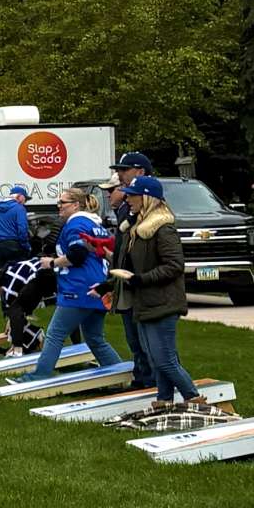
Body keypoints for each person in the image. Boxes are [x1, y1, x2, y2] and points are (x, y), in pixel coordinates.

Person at [11, 188, 125, 382]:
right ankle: (121, 374)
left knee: (55, 334)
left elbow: (77, 255)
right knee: (95, 339)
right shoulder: (94, 223)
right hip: (97, 285)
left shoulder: (76, 224)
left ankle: (40, 375)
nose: (59, 206)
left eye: (62, 202)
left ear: (76, 205)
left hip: (79, 287)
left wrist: (52, 263)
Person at [111, 175, 202, 410]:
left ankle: (194, 398)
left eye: (132, 195)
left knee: (165, 359)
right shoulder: (137, 228)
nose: (127, 199)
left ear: (147, 198)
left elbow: (174, 266)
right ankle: (164, 401)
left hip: (163, 302)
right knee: (155, 359)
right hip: (146, 302)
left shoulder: (163, 229)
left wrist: (141, 280)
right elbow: (127, 263)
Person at [106, 152, 157, 391]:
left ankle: (155, 384)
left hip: (143, 284)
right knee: (134, 339)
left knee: (150, 341)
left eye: (124, 170)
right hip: (126, 281)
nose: (119, 174)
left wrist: (139, 277)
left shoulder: (152, 211)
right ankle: (141, 379)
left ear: (140, 172)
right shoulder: (127, 207)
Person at [0, 186, 33, 269]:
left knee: (1, 274)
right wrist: (26, 246)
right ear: (19, 196)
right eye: (25, 199)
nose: (25, 202)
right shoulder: (19, 208)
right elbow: (22, 230)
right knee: (17, 274)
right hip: (13, 246)